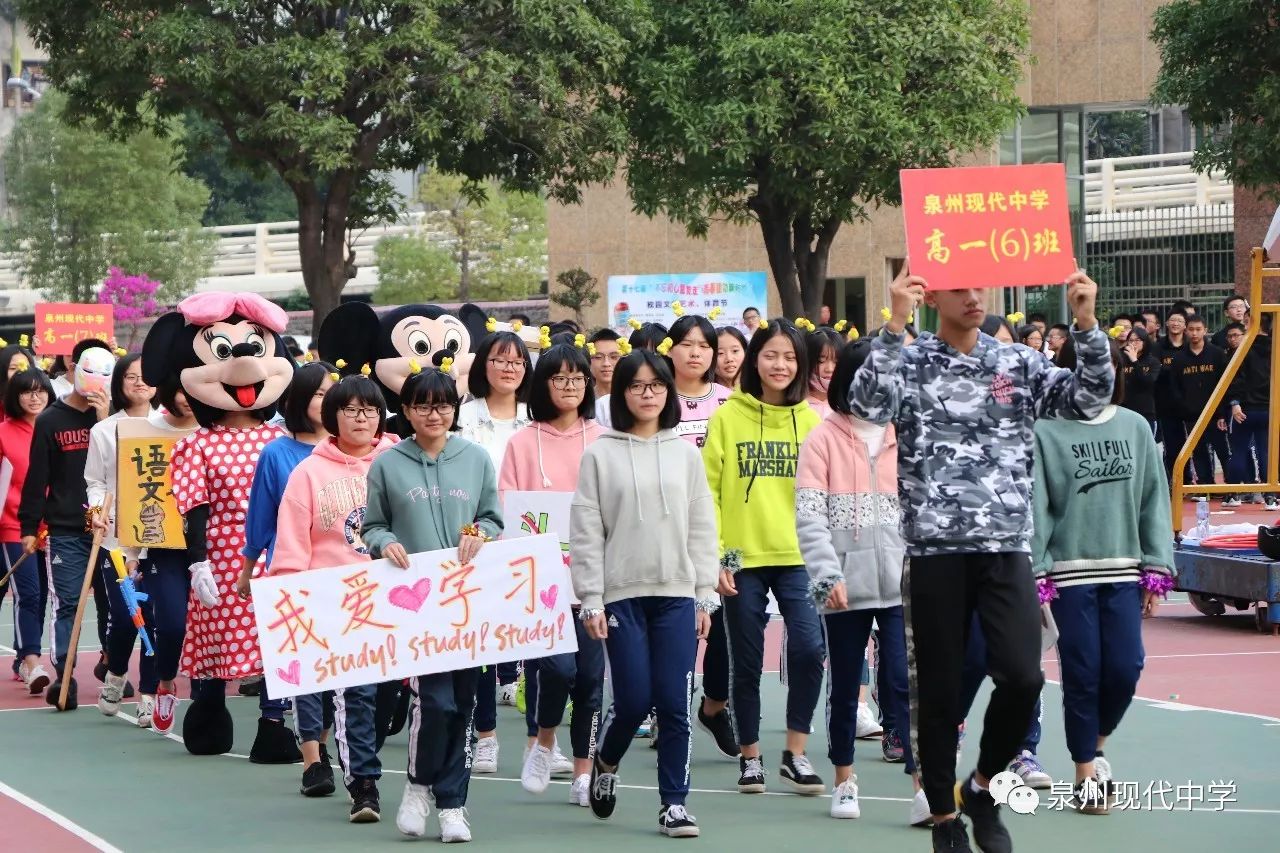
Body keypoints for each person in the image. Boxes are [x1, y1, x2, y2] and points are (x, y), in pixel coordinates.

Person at [849, 259, 1112, 853]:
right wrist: (893, 323)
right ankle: (944, 815)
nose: (972, 297)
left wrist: (1087, 323)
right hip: (936, 551)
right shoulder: (909, 359)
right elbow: (864, 406)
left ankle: (985, 787)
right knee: (938, 689)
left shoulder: (1015, 362)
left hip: (1005, 548)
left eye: (978, 286)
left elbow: (1088, 399)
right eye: (959, 288)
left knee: (1022, 675)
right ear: (932, 293)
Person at [571, 349, 719, 837]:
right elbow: (587, 530)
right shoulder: (599, 454)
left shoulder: (685, 453)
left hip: (677, 594)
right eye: (636, 385)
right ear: (621, 393)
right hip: (620, 597)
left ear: (668, 392)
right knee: (634, 699)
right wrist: (590, 596)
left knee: (675, 701)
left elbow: (702, 526)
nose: (647, 393)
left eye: (656, 385)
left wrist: (704, 593)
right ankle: (607, 760)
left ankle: (673, 803)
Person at [1032, 338, 1175, 813]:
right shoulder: (1047, 431)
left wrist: (1157, 566)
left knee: (1125, 667)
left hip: (1124, 570)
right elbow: (1038, 507)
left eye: (1112, 367)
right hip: (1069, 576)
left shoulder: (1135, 427)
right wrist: (1036, 571)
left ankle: (1097, 746)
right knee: (1082, 673)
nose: (1104, 376)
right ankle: (1085, 774)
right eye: (1090, 367)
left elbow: (1155, 499)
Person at [362, 366, 503, 843]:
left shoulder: (476, 458)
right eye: (422, 405)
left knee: (463, 704)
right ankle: (421, 786)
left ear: (454, 409)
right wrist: (383, 542)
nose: (433, 413)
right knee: (436, 701)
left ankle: (451, 805)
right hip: (417, 604)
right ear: (405, 411)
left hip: (468, 601)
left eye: (443, 405)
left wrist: (482, 533)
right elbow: (372, 526)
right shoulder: (387, 463)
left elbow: (492, 518)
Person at [796, 339, 926, 823]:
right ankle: (844, 781)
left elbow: (925, 512)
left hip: (901, 586)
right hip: (843, 587)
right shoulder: (823, 438)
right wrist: (826, 573)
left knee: (903, 680)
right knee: (846, 683)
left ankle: (922, 785)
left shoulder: (906, 436)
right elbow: (809, 516)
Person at [702, 320, 825, 796]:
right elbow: (708, 492)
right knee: (747, 660)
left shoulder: (812, 421)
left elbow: (823, 493)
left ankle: (795, 753)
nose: (781, 365)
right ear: (755, 360)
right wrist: (717, 556)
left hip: (799, 555)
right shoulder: (727, 418)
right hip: (740, 557)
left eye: (790, 357)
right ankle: (750, 757)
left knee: (811, 649)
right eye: (771, 355)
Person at [268, 375, 397, 819]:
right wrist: (290, 591)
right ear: (332, 417)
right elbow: (291, 539)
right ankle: (363, 785)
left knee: (385, 705)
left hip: (396, 600)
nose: (361, 418)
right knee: (352, 695)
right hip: (332, 600)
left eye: (370, 409)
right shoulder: (309, 472)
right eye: (350, 410)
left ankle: (359, 760)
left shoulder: (398, 461)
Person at [508, 344, 605, 807]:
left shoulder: (604, 438)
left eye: (578, 378)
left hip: (594, 578)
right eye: (560, 378)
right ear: (543, 383)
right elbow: (510, 507)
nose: (570, 386)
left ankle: (584, 772)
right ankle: (545, 740)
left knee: (590, 675)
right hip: (542, 579)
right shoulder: (523, 442)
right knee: (557, 668)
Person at [234, 362, 336, 762]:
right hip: (291, 569)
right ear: (296, 400)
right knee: (295, 655)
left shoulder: (356, 450)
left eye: (334, 394)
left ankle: (324, 739)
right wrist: (247, 569)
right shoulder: (277, 452)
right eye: (319, 394)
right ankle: (280, 728)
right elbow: (260, 515)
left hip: (344, 571)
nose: (329, 402)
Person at [18, 340, 115, 708]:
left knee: (112, 604)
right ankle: (65, 675)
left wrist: (105, 419)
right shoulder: (50, 421)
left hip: (109, 529)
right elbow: (36, 477)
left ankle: (112, 665)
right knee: (68, 603)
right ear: (72, 368)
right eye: (87, 370)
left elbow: (120, 467)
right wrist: (29, 526)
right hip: (66, 529)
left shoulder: (114, 418)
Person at [457, 330, 532, 772]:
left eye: (518, 361)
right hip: (476, 546)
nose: (509, 368)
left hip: (530, 546)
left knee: (539, 649)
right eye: (500, 360)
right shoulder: (463, 419)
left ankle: (541, 740)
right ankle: (484, 734)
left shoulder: (537, 418)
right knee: (480, 646)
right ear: (484, 365)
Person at [121, 377, 199, 735]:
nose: (187, 399)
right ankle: (165, 681)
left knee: (211, 629)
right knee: (170, 623)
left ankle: (207, 704)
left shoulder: (217, 434)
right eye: (180, 389)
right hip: (164, 547)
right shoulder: (143, 432)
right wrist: (132, 551)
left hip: (212, 545)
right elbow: (136, 494)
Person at [85, 354, 159, 721]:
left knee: (155, 616)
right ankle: (115, 672)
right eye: (131, 377)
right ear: (119, 382)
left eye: (146, 376)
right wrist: (97, 513)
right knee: (126, 612)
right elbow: (94, 482)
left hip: (160, 538)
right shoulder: (103, 431)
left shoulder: (169, 426)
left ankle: (148, 693)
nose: (139, 383)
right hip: (116, 539)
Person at [0, 369, 54, 694]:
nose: (35, 397)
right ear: (14, 396)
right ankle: (33, 661)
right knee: (28, 593)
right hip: (14, 526)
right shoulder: (3, 433)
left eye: (40, 390)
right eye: (27, 391)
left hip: (52, 528)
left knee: (45, 596)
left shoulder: (53, 428)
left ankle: (23, 656)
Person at [1170, 315, 1230, 495]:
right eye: (1191, 330)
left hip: (1216, 414)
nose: (1194, 333)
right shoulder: (1179, 358)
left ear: (1205, 330)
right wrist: (1184, 408)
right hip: (1191, 415)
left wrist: (1221, 412)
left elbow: (1225, 383)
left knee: (1223, 450)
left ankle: (1231, 487)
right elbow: (1175, 387)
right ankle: (1205, 486)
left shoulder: (1217, 354)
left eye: (1198, 329)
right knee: (1198, 451)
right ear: (1186, 331)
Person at [1222, 316, 1277, 510]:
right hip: (1270, 408)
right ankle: (1271, 496)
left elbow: (1235, 378)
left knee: (1238, 450)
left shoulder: (1243, 349)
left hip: (1245, 407)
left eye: (1246, 323)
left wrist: (1235, 403)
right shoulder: (1275, 347)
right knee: (1266, 451)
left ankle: (1232, 494)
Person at [665, 315, 732, 447]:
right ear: (669, 349)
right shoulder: (656, 398)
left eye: (704, 346)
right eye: (686, 344)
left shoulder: (730, 400)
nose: (695, 353)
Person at [1154, 310, 1188, 486]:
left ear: (1185, 326)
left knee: (1191, 446)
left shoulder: (1191, 346)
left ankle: (1191, 482)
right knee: (1172, 447)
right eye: (1172, 320)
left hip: (1190, 404)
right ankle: (1174, 482)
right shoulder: (1158, 347)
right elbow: (1156, 371)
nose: (1175, 323)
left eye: (1179, 320)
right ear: (1167, 324)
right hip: (1166, 405)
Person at [1120, 327, 1160, 433]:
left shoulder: (1153, 362)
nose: (1134, 343)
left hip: (1145, 412)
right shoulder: (1121, 360)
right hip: (1124, 411)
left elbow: (1148, 382)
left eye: (1137, 340)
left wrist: (1134, 361)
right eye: (1131, 340)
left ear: (1145, 342)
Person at [804, 327, 843, 419]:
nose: (829, 369)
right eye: (821, 361)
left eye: (836, 362)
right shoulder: (796, 406)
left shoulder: (847, 406)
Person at [588, 328, 622, 399]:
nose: (606, 363)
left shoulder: (632, 400)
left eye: (613, 357)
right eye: (598, 357)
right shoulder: (583, 401)